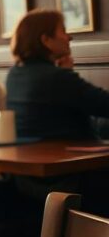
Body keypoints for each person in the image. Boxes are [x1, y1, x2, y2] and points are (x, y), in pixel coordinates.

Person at [6, 9, 109, 139]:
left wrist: (66, 72)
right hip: (67, 153)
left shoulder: (14, 74)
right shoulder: (55, 77)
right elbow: (104, 104)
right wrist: (65, 74)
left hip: (31, 151)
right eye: (64, 31)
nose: (69, 37)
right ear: (46, 40)